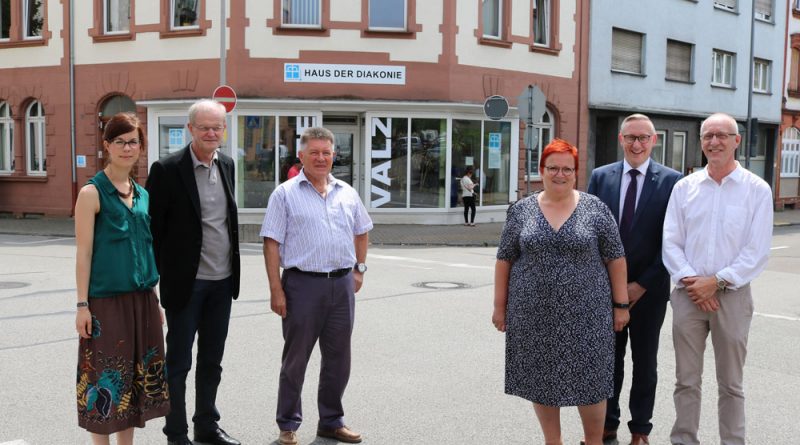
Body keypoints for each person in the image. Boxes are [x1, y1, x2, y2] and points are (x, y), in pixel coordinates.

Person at [493, 139, 630, 445]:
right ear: (541, 170)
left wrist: (621, 305)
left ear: (575, 173)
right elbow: (505, 259)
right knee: (542, 380)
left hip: (588, 315)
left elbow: (616, 258)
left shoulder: (596, 209)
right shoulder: (521, 211)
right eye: (553, 167)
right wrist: (499, 307)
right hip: (533, 314)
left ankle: (593, 441)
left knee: (592, 382)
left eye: (567, 168)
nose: (560, 174)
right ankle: (552, 441)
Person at [662, 113, 772, 445]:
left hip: (733, 296)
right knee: (686, 380)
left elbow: (757, 250)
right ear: (701, 142)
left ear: (737, 141)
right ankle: (684, 439)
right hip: (688, 295)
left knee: (731, 383)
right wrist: (694, 282)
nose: (714, 142)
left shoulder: (757, 190)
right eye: (708, 135)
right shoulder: (685, 188)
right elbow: (670, 241)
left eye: (722, 135)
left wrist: (718, 282)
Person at [261, 127, 373, 445]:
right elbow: (271, 244)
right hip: (301, 286)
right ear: (301, 155)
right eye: (314, 152)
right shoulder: (284, 194)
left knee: (338, 357)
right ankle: (288, 424)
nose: (321, 158)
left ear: (333, 156)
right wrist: (276, 290)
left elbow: (362, 230)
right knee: (296, 359)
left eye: (326, 152)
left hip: (341, 286)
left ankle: (331, 421)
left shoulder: (347, 192)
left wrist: (359, 270)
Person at [145, 99, 241, 445]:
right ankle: (176, 433)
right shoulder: (167, 169)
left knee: (212, 361)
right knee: (179, 364)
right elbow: (152, 231)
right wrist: (152, 284)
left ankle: (206, 426)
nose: (212, 133)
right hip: (186, 285)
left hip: (222, 282)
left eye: (217, 127)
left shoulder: (227, 165)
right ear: (190, 129)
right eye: (204, 127)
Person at [74, 112, 169, 444]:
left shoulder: (142, 195)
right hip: (106, 302)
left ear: (141, 147)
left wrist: (154, 300)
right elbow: (83, 253)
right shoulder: (91, 193)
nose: (127, 148)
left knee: (132, 384)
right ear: (106, 146)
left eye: (133, 142)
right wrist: (82, 305)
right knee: (106, 382)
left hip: (142, 301)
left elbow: (145, 250)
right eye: (120, 141)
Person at [588, 114, 682, 445]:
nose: (637, 144)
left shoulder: (673, 182)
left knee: (645, 363)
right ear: (621, 140)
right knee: (608, 360)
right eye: (631, 138)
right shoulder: (601, 177)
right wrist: (613, 287)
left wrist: (640, 285)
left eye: (643, 138)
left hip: (650, 291)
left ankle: (640, 429)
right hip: (605, 291)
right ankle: (607, 424)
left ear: (654, 141)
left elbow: (673, 242)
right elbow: (592, 233)